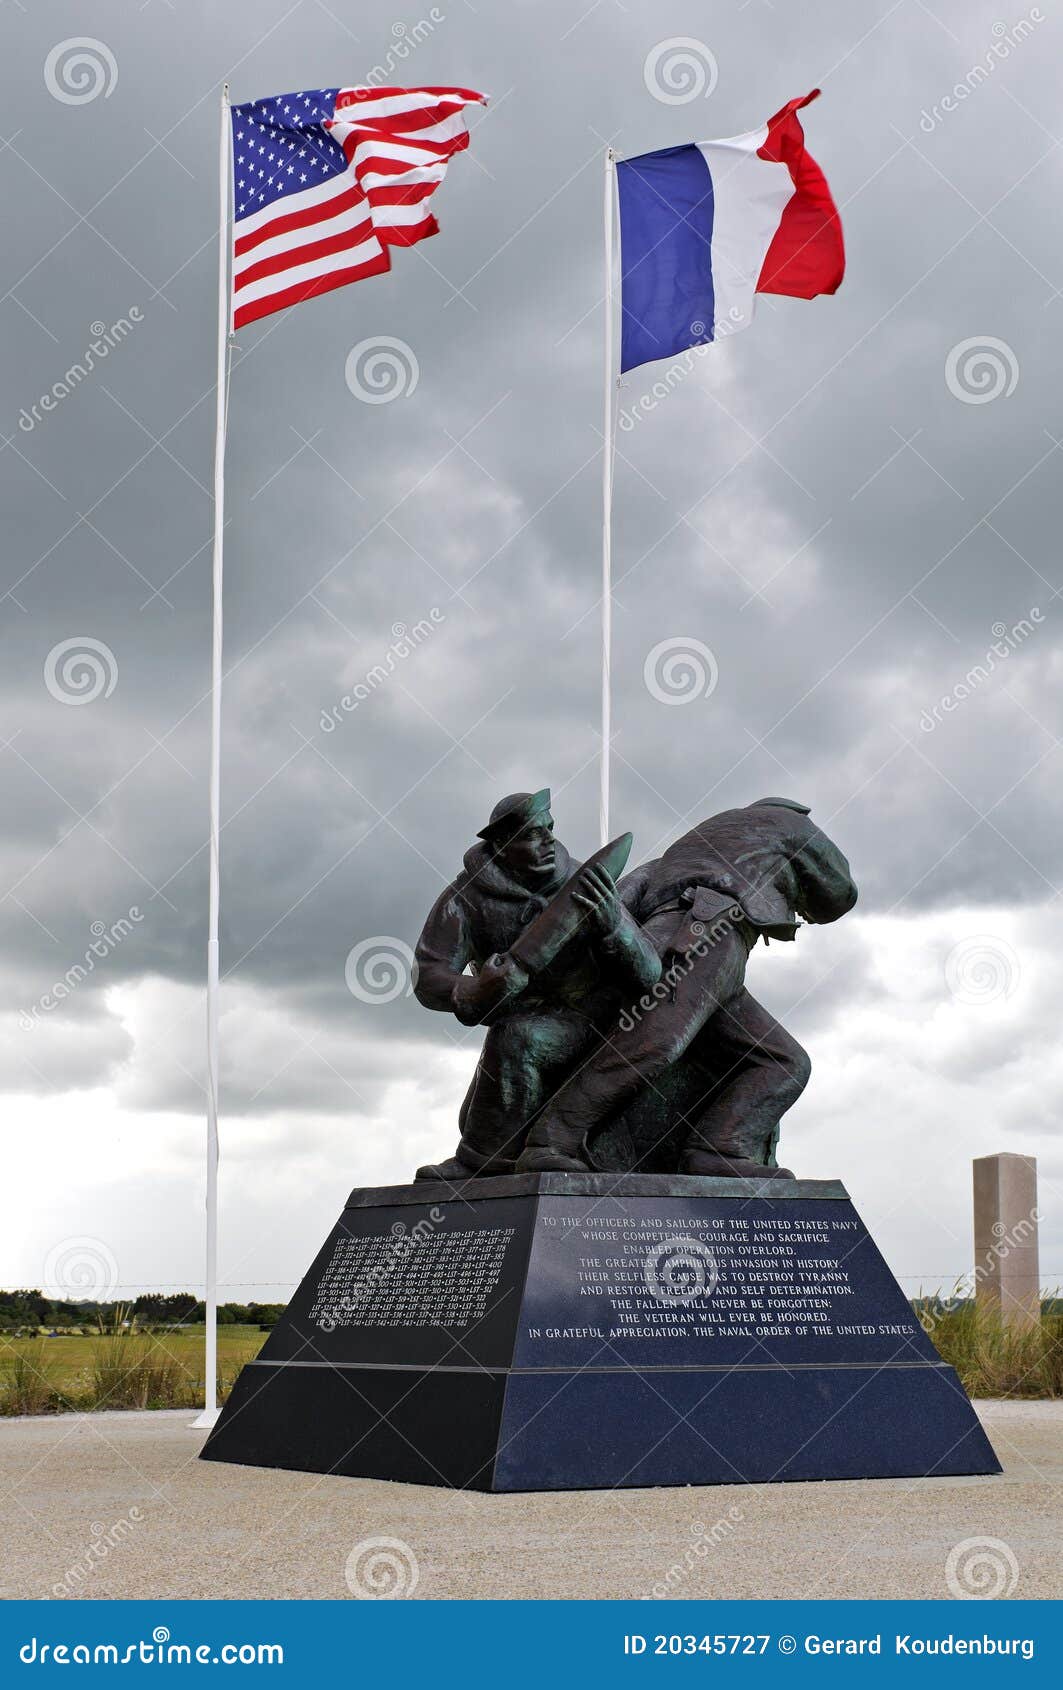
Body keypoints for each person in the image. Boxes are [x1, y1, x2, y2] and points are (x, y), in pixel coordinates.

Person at [515, 797, 858, 1178]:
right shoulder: (790, 824)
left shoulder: (690, 846)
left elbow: (628, 890)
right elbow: (839, 894)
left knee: (783, 1061)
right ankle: (552, 1139)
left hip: (705, 945)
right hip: (705, 933)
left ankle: (720, 1148)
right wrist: (799, 896)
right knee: (653, 1042)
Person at [412, 789, 660, 1181]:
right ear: (501, 845)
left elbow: (649, 974)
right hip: (522, 1015)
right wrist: (473, 989)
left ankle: (483, 1161)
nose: (547, 842)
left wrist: (612, 924)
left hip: (596, 1017)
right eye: (531, 835)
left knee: (519, 1039)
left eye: (549, 830)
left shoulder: (585, 883)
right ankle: (491, 1161)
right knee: (516, 1035)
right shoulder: (465, 899)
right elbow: (429, 977)